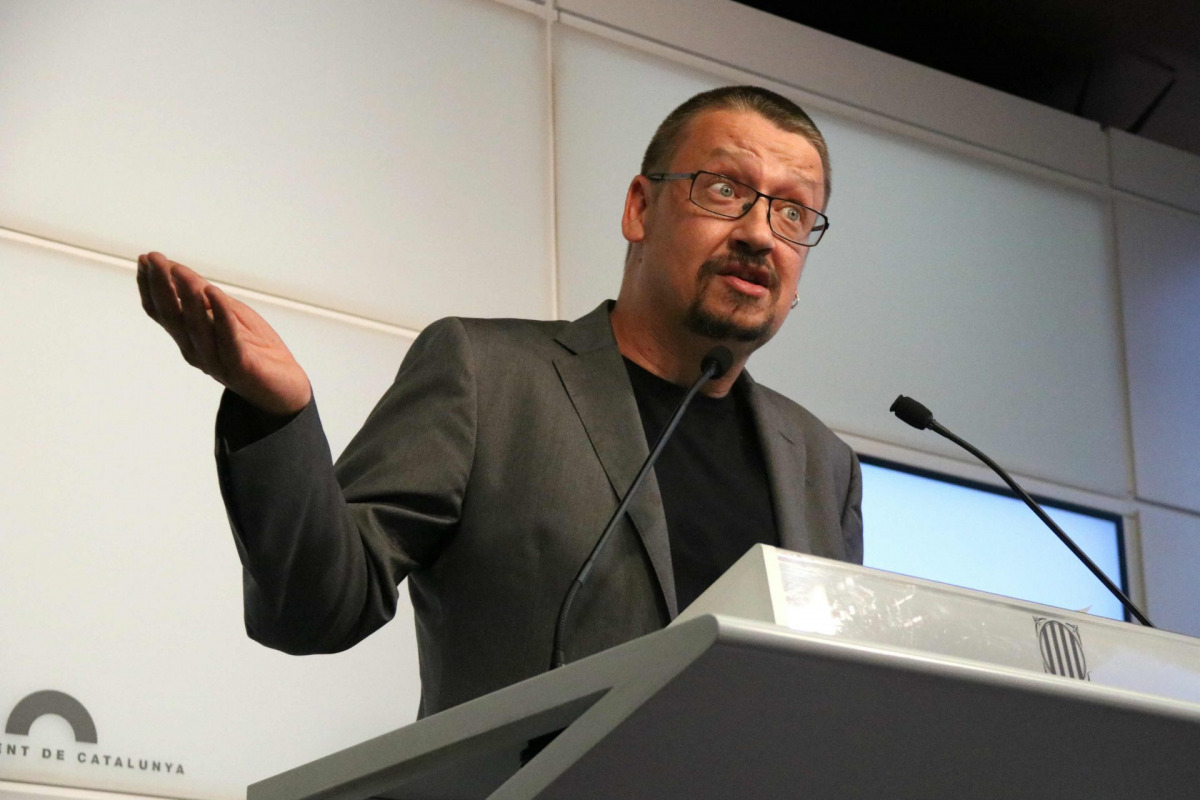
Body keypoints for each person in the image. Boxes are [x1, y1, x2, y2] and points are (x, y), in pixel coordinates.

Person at [137, 86, 862, 718]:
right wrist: (278, 416)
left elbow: (835, 700)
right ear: (640, 207)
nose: (760, 234)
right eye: (725, 190)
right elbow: (315, 609)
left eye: (794, 214)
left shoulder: (822, 465)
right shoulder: (487, 376)